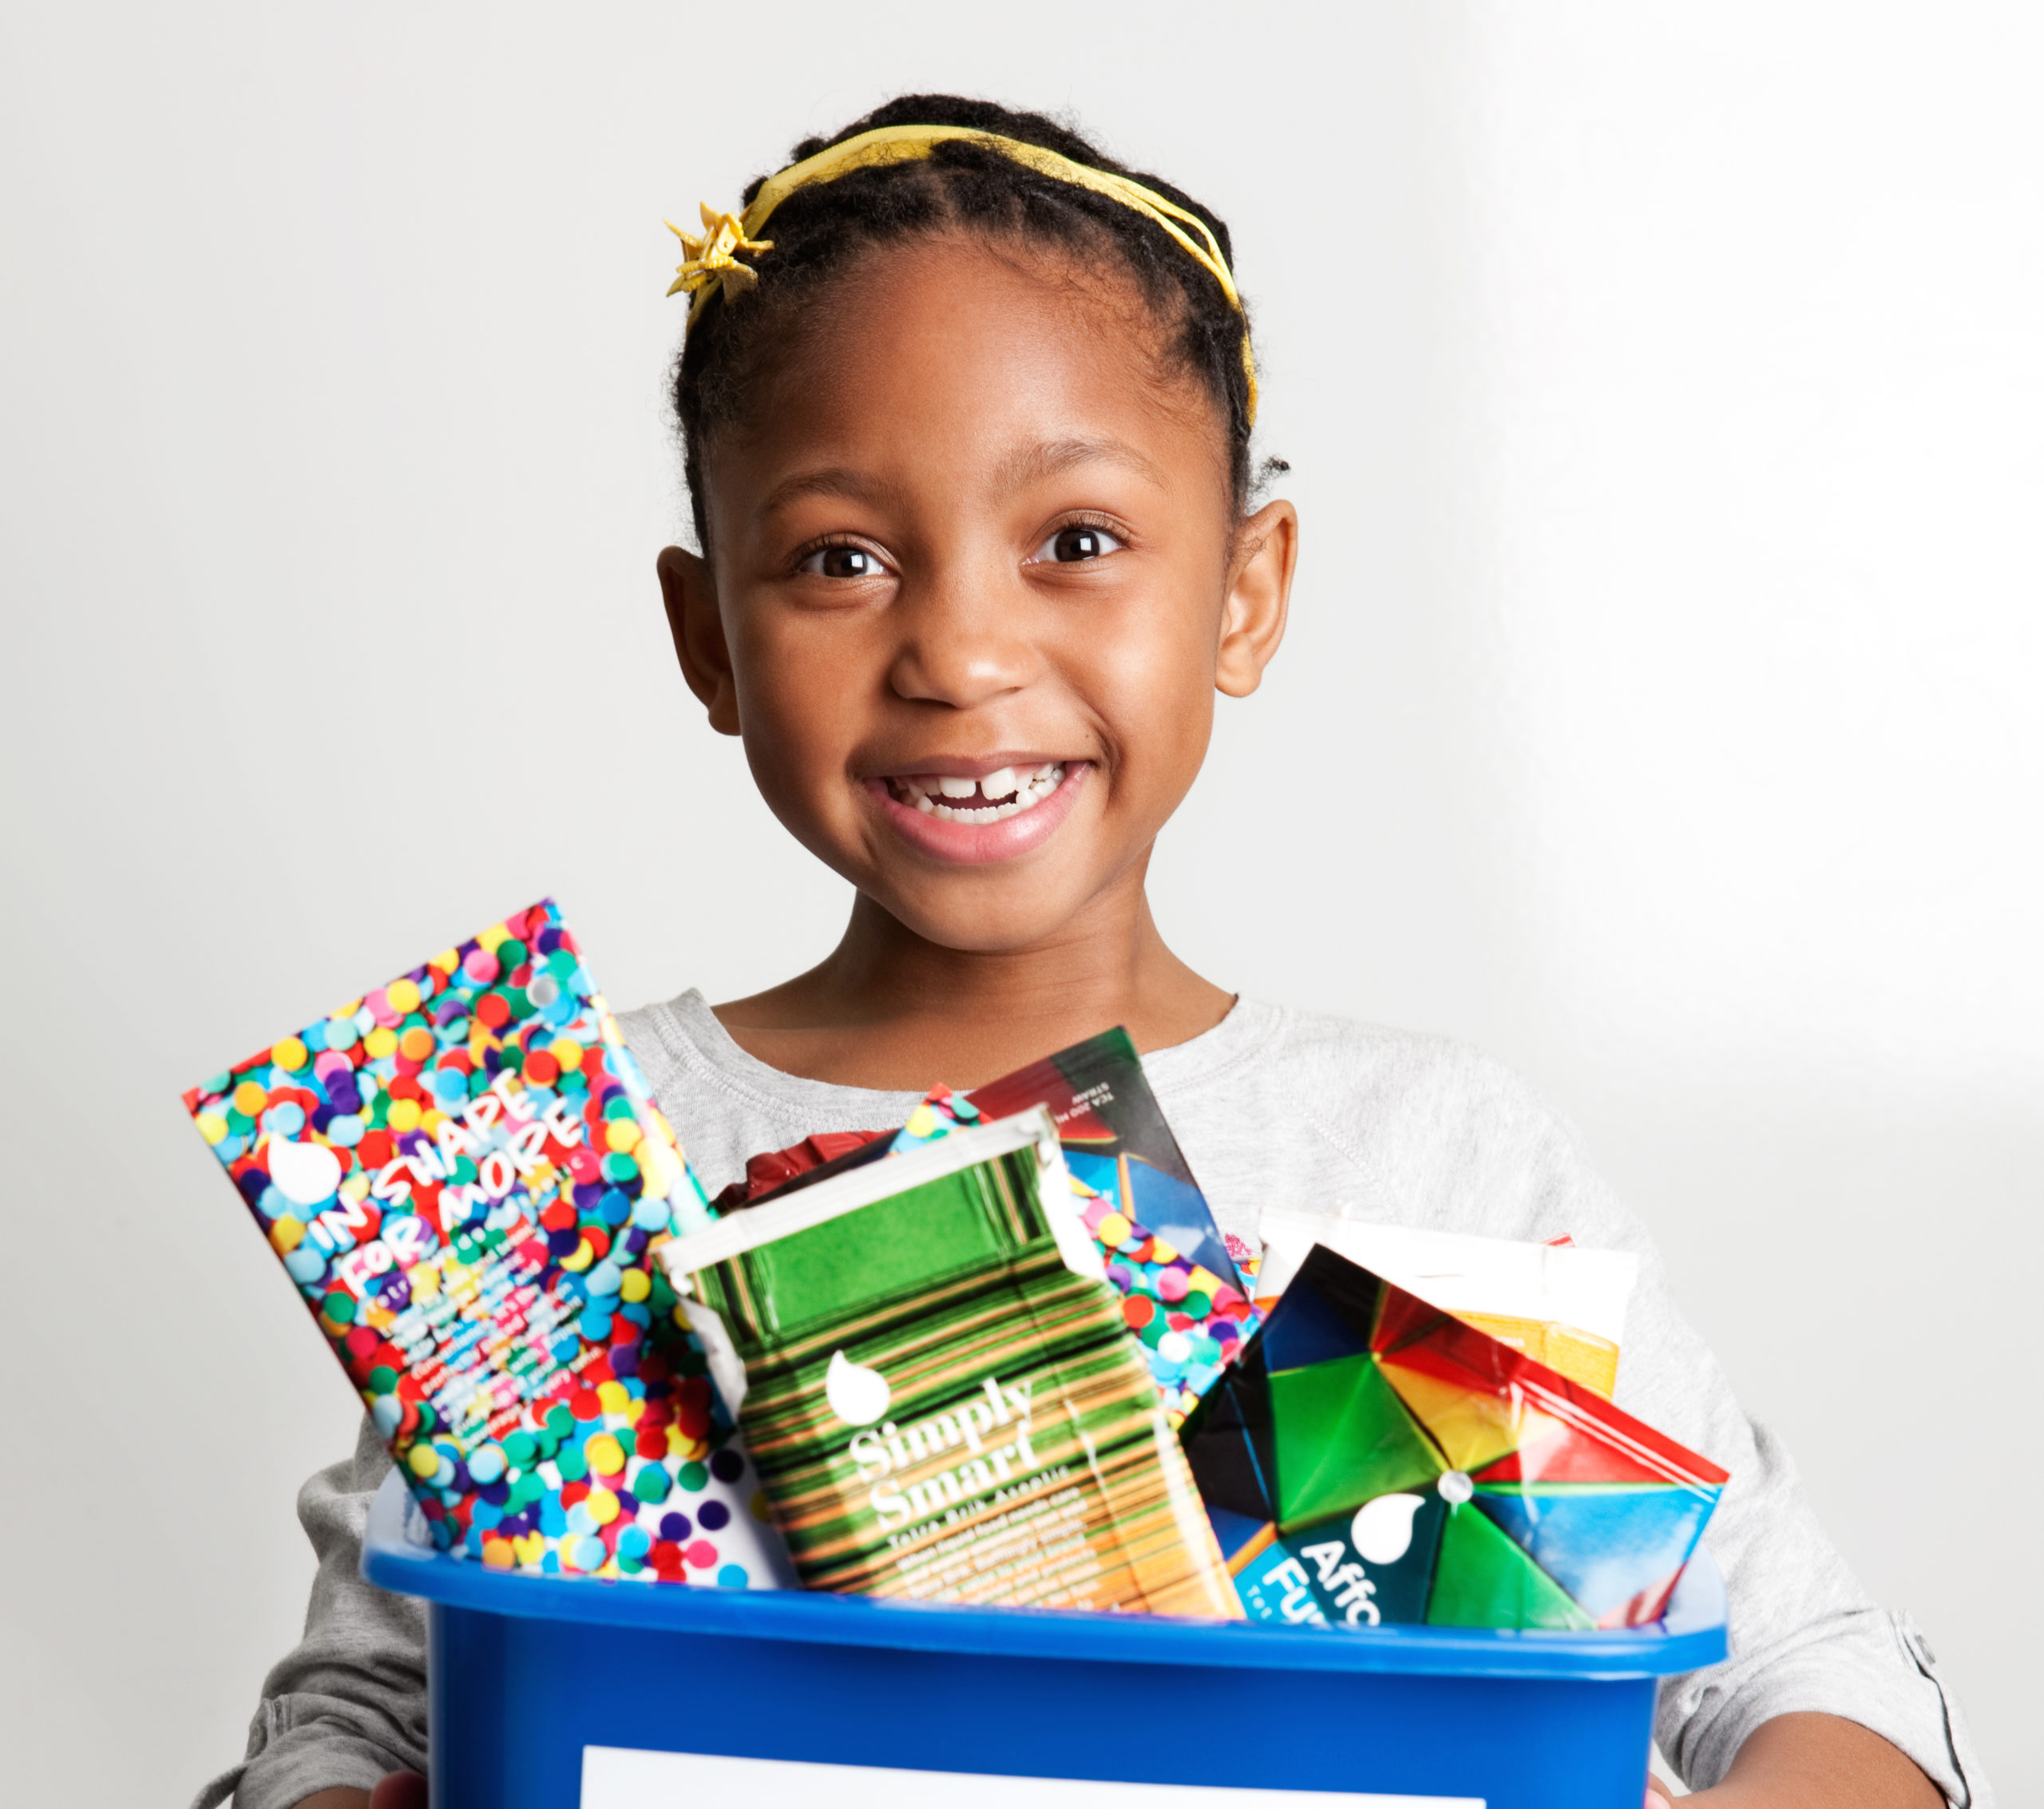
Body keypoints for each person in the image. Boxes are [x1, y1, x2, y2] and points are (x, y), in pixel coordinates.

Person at [193, 94, 1988, 1809]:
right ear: (707, 632)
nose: (960, 650)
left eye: (1074, 539)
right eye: (837, 557)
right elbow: (356, 1709)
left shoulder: (1438, 1156)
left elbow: (1818, 1681)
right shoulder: (558, 1163)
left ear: (1242, 589)